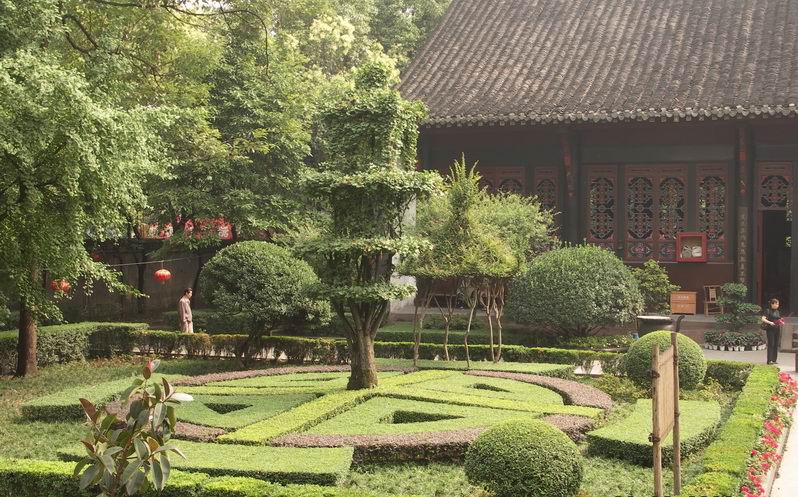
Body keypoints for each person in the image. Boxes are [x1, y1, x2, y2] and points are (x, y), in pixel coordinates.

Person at [761, 298, 784, 365]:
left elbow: (778, 319)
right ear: (772, 304)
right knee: (771, 344)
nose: (777, 305)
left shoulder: (777, 311)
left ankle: (774, 360)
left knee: (776, 344)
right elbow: (763, 319)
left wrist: (781, 321)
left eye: (778, 304)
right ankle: (769, 360)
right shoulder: (768, 310)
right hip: (770, 329)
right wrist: (770, 322)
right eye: (776, 304)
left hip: (777, 329)